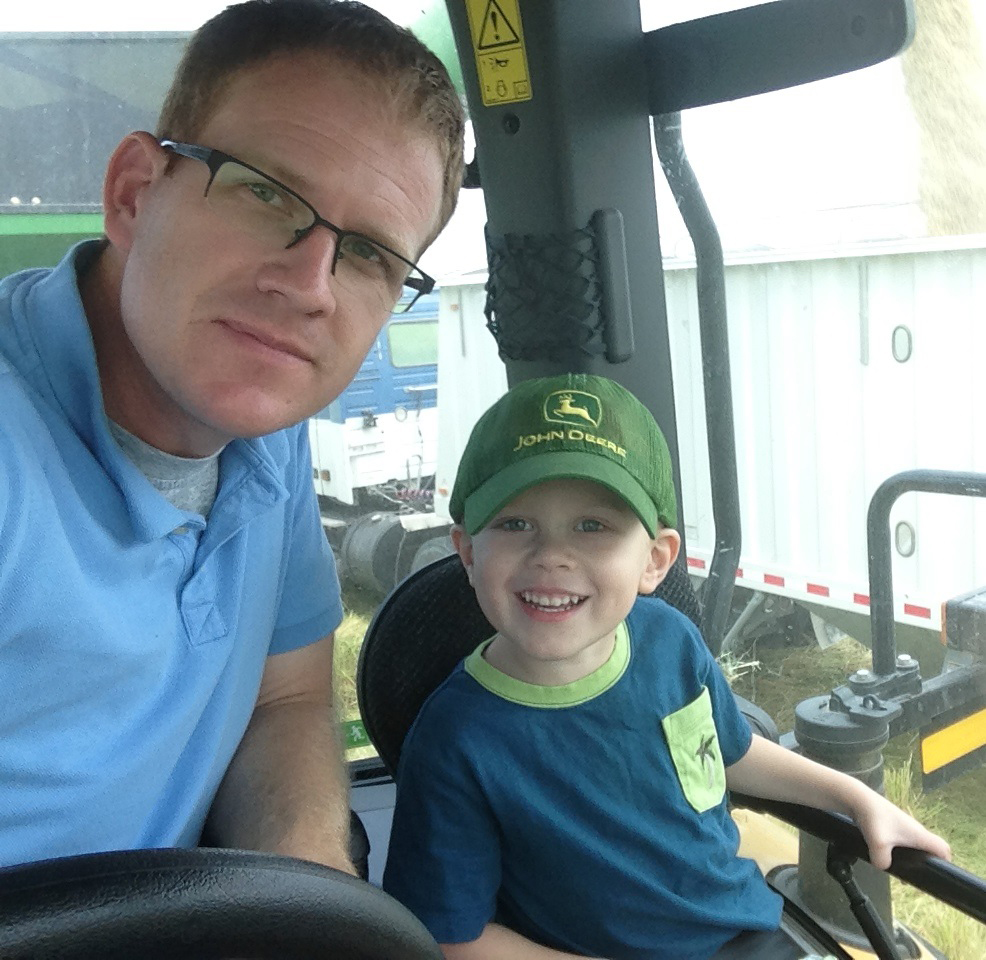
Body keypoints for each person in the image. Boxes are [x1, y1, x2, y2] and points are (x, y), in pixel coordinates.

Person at [0, 0, 464, 871]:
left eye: (367, 252)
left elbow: (280, 700)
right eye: (266, 193)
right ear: (135, 195)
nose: (308, 286)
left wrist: (310, 903)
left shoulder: (260, 427)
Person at [382, 373, 951, 960]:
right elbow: (455, 937)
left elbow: (728, 753)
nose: (552, 556)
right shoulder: (455, 741)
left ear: (655, 560)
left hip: (744, 929)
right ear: (469, 553)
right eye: (515, 523)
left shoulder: (669, 642)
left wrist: (855, 798)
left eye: (593, 526)